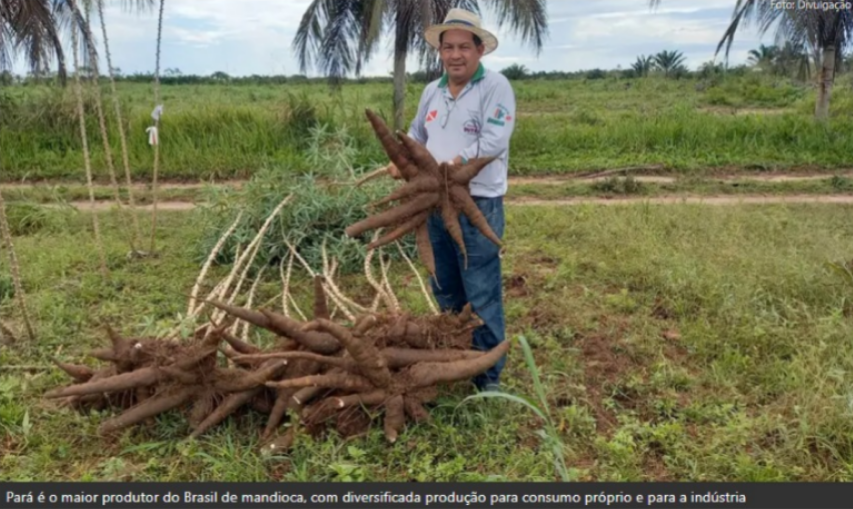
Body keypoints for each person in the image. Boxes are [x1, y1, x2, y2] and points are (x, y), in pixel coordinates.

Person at [385, 8, 517, 392]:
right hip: (432, 200)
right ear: (439, 51)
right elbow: (415, 133)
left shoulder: (496, 87)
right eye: (448, 47)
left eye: (463, 47)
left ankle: (487, 377)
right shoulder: (433, 90)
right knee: (443, 284)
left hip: (476, 202)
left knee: (480, 289)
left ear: (480, 50)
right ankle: (455, 358)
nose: (455, 55)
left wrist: (452, 165)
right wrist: (404, 158)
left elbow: (493, 140)